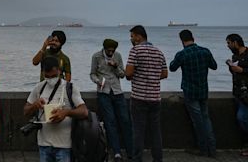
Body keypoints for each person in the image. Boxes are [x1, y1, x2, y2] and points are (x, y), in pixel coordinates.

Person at [25, 57, 88, 162]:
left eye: (54, 76)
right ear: (43, 72)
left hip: (64, 145)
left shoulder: (70, 88)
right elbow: (25, 110)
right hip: (43, 144)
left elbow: (84, 111)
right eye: (47, 76)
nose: (51, 79)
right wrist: (34, 105)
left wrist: (66, 112)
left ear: (59, 70)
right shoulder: (39, 88)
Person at [169, 29, 217, 157]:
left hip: (190, 92)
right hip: (203, 90)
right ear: (193, 38)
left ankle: (203, 149)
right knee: (206, 119)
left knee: (198, 122)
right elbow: (214, 66)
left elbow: (172, 68)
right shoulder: (205, 51)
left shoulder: (182, 54)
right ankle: (212, 149)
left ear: (181, 40)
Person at [125, 25, 168, 162]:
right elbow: (165, 74)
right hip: (155, 98)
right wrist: (152, 77)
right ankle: (158, 159)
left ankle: (137, 159)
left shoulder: (135, 51)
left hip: (139, 98)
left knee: (138, 132)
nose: (131, 39)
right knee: (156, 131)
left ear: (139, 36)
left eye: (132, 36)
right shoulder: (159, 52)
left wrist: (138, 76)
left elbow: (128, 73)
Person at [90, 38, 133, 161]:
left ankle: (131, 151)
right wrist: (98, 81)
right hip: (104, 92)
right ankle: (117, 152)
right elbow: (92, 73)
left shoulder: (117, 56)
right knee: (110, 122)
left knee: (125, 120)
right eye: (109, 51)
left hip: (117, 92)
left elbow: (122, 75)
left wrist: (115, 67)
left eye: (112, 51)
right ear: (104, 48)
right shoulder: (96, 57)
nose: (111, 53)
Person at [225, 33, 248, 157]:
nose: (228, 45)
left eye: (229, 43)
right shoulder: (235, 56)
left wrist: (242, 70)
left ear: (235, 42)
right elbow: (235, 72)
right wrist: (231, 66)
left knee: (242, 118)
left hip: (246, 92)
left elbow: (242, 71)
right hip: (238, 92)